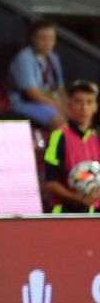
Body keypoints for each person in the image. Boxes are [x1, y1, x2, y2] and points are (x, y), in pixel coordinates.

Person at [42, 79, 100, 214]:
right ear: (69, 105)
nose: (84, 108)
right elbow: (50, 182)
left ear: (96, 107)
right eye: (78, 101)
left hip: (94, 213)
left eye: (89, 102)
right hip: (64, 213)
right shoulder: (58, 136)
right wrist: (78, 198)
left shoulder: (96, 138)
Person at [7, 20, 66, 129]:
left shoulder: (53, 57)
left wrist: (67, 104)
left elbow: (60, 88)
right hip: (27, 103)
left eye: (51, 38)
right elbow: (33, 94)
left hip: (50, 99)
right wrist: (59, 107)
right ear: (33, 38)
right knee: (60, 120)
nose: (47, 43)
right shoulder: (24, 58)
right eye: (43, 38)